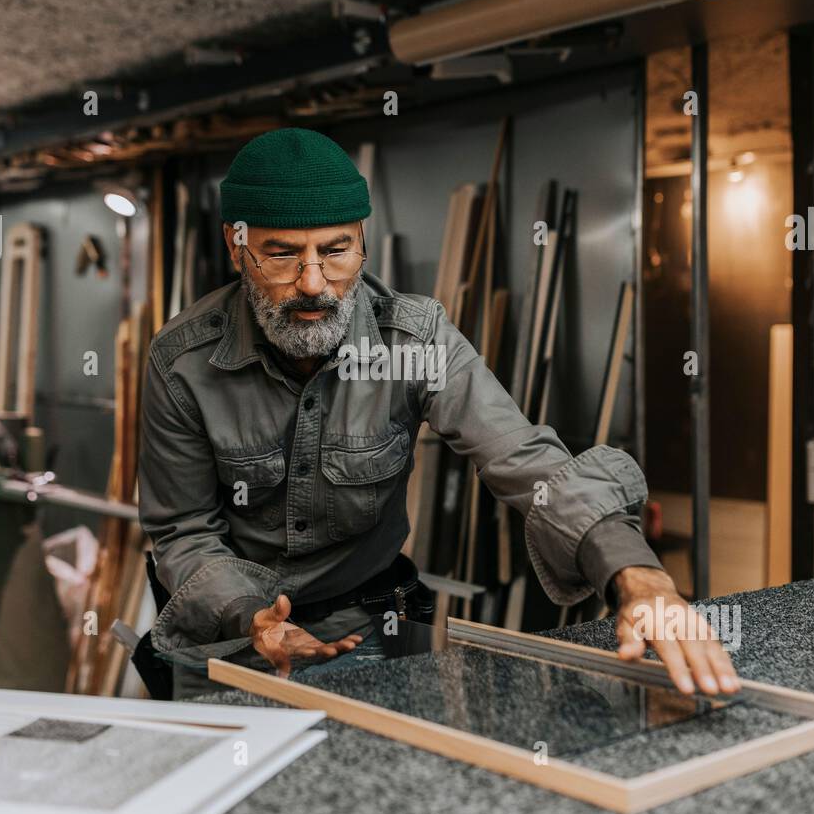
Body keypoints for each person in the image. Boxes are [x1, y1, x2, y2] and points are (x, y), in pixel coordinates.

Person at [138, 128, 739, 698]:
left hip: (368, 620)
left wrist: (636, 574)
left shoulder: (416, 340)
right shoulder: (181, 362)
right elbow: (183, 529)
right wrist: (251, 618)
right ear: (236, 247)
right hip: (230, 631)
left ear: (363, 242)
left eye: (336, 251)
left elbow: (523, 459)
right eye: (282, 255)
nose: (314, 282)